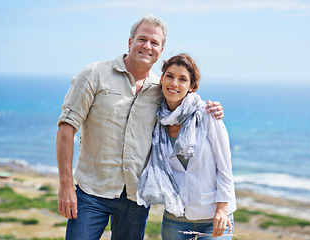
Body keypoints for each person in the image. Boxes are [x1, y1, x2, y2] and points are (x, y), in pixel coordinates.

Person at [56, 15, 224, 240]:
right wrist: (66, 185)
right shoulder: (94, 74)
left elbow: (185, 104)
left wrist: (212, 109)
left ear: (161, 50)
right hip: (91, 192)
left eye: (154, 42)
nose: (147, 46)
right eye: (142, 39)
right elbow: (66, 128)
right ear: (130, 42)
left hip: (136, 198)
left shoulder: (160, 88)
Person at [137, 53, 236, 240]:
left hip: (213, 217)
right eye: (170, 76)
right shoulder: (156, 120)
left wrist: (222, 210)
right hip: (175, 218)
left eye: (182, 79)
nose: (174, 83)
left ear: (192, 86)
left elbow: (225, 167)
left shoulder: (207, 115)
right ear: (162, 79)